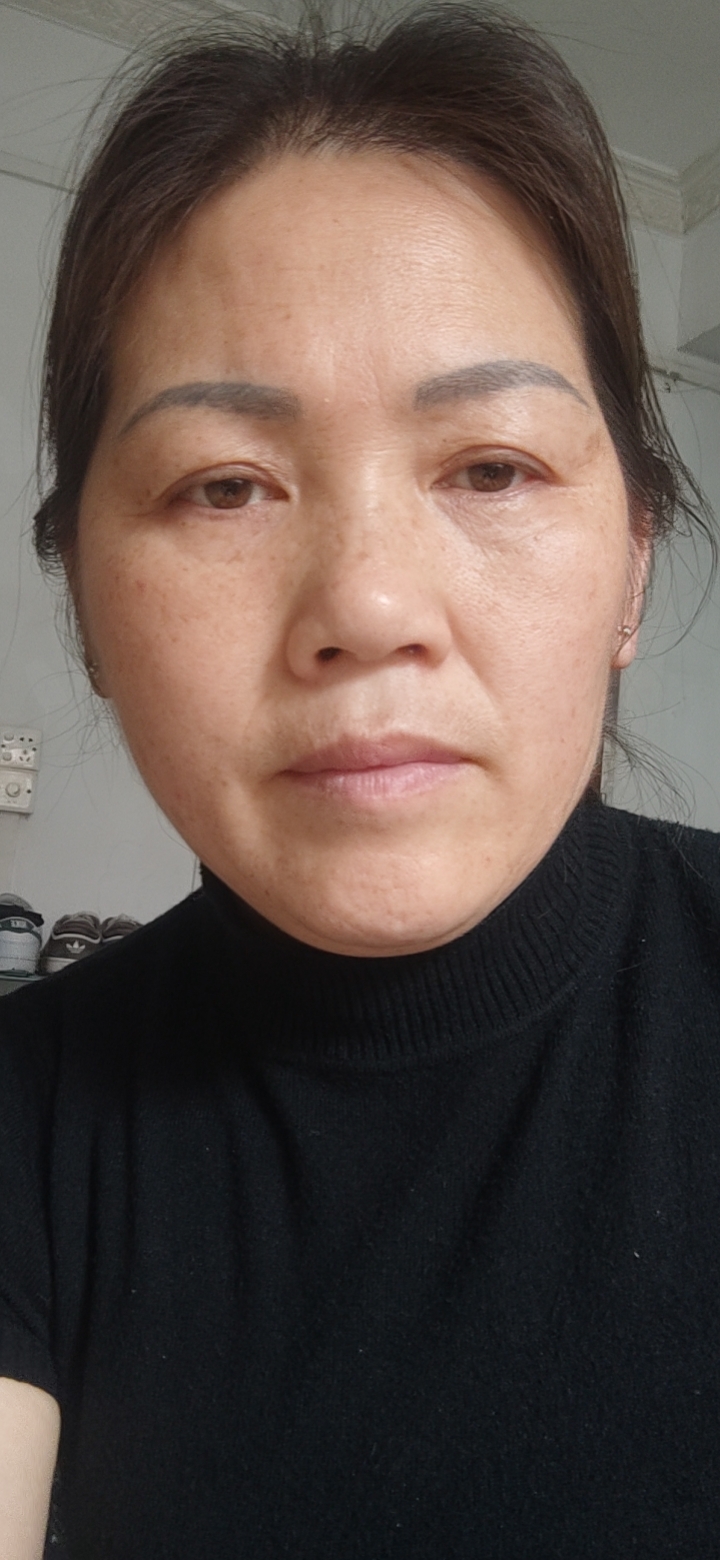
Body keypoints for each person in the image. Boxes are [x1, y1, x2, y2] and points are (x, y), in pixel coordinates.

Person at [1, 5, 719, 1555]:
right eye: (225, 487)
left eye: (492, 467)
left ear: (632, 567)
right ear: (88, 611)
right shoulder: (28, 1124)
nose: (370, 605)